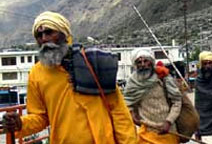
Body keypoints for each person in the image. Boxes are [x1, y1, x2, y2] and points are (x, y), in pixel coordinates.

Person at [2, 11, 137, 144]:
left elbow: (118, 111)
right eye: (39, 35)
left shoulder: (93, 62)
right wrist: (21, 124)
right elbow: (40, 117)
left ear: (64, 34)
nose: (43, 38)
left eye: (49, 32)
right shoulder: (36, 74)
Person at [124, 49, 182, 144]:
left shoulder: (163, 77)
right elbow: (127, 102)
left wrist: (168, 122)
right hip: (146, 132)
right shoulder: (132, 82)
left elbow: (177, 101)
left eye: (145, 61)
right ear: (135, 65)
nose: (143, 64)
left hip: (168, 132)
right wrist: (132, 115)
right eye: (139, 62)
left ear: (151, 62)